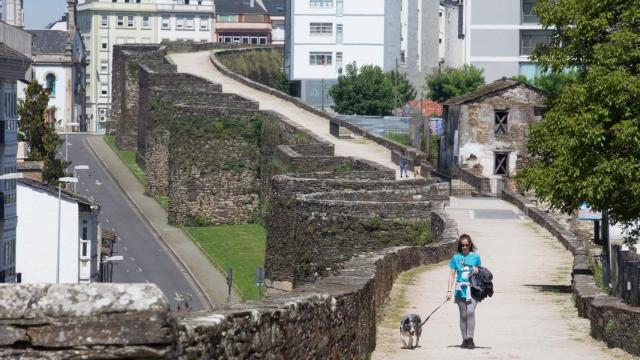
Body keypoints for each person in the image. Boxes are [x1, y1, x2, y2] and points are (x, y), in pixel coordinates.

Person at [446, 234, 481, 349]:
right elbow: (451, 275)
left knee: (470, 312)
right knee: (463, 315)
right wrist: (449, 291)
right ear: (460, 246)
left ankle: (470, 338)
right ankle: (464, 339)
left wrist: (477, 270)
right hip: (460, 289)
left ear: (470, 245)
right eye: (462, 245)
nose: (465, 247)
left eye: (467, 245)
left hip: (473, 289)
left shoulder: (476, 257)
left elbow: (481, 272)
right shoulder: (456, 258)